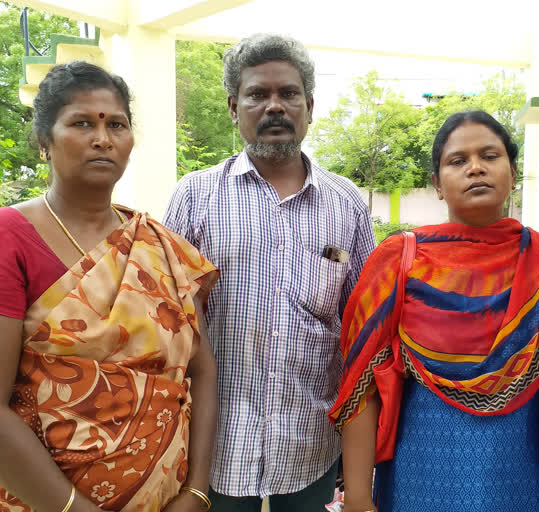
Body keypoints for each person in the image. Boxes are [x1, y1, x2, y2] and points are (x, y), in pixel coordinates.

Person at [163, 33, 376, 510]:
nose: (274, 107)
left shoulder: (347, 206)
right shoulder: (195, 197)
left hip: (310, 446)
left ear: (310, 106)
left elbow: (361, 331)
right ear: (234, 108)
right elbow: (167, 324)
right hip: (211, 451)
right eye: (258, 95)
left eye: (288, 94)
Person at [0, 61, 219, 512]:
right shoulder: (10, 238)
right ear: (44, 142)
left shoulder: (159, 246)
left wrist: (196, 491)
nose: (103, 138)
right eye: (82, 123)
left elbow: (202, 370)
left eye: (116, 124)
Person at [331, 111, 539, 512]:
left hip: (522, 475)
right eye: (458, 161)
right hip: (419, 475)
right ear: (437, 184)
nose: (475, 168)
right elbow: (360, 386)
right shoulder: (400, 260)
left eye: (490, 155)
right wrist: (359, 498)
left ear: (512, 170)